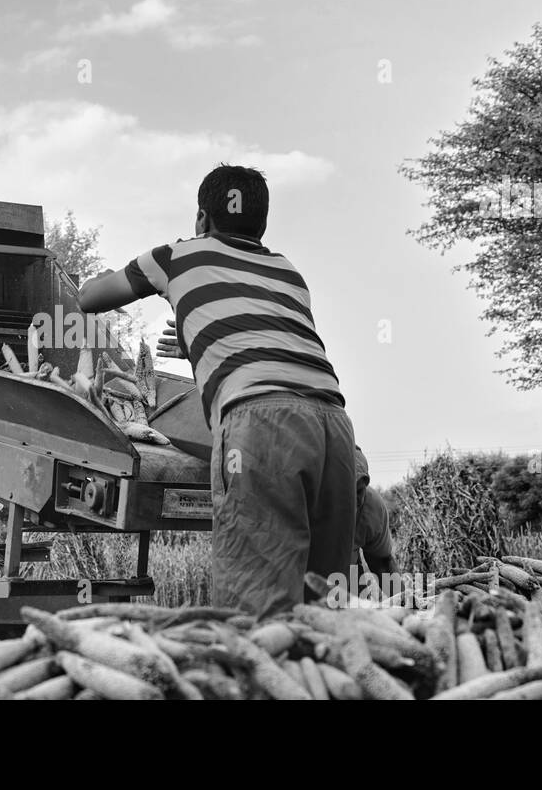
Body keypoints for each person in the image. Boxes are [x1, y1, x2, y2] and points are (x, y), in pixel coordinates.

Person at [78, 164, 356, 617]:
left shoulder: (177, 256)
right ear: (262, 224)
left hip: (260, 426)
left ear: (201, 219)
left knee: (256, 613)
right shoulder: (289, 273)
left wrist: (111, 272)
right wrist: (197, 346)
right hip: (334, 429)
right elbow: (269, 345)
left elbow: (90, 297)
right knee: (323, 611)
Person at [353, 446, 397, 588]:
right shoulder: (300, 501)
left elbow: (381, 563)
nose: (357, 500)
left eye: (360, 490)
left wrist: (406, 605)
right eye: (348, 492)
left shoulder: (371, 508)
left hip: (346, 580)